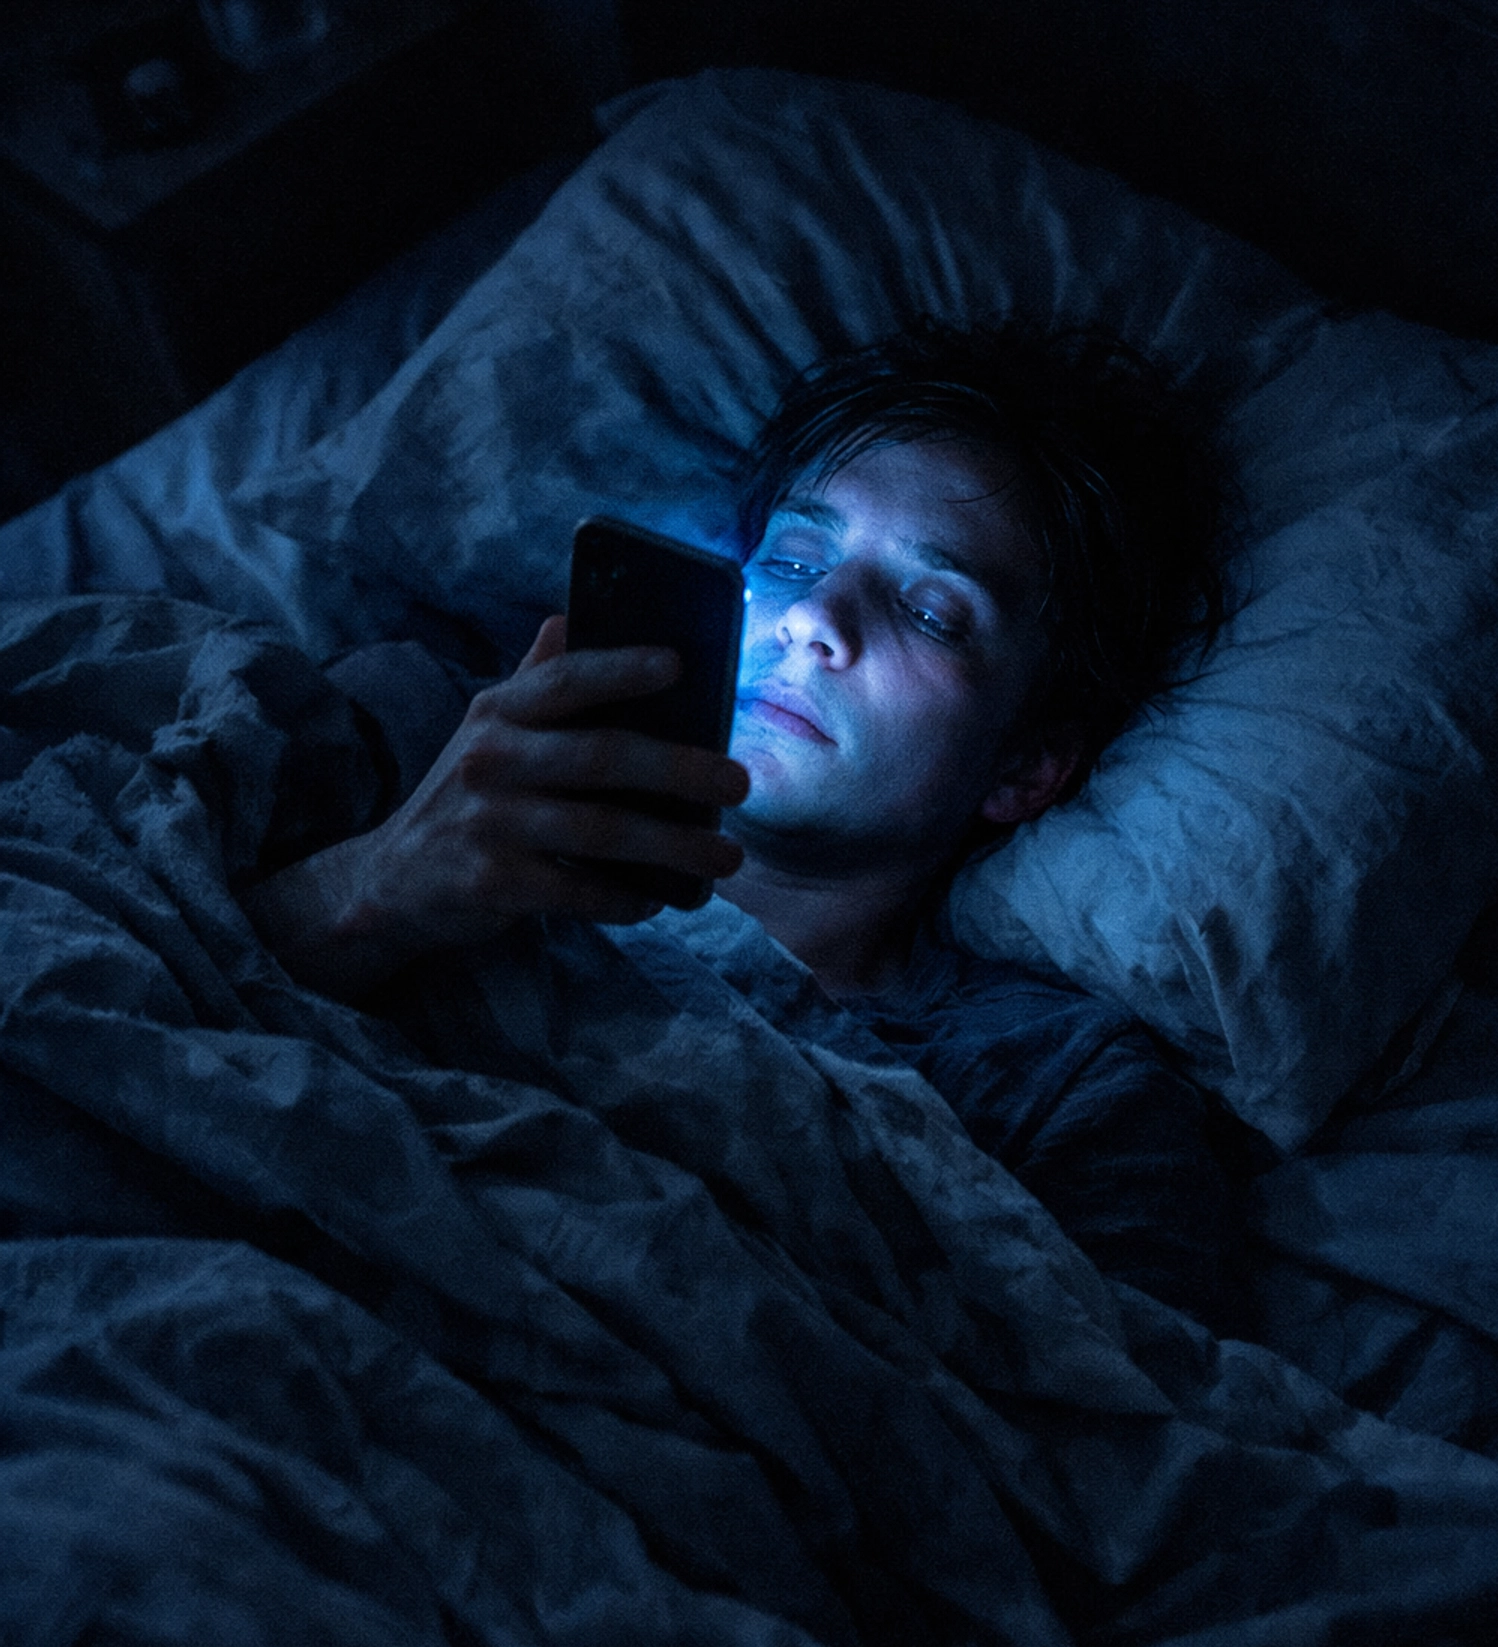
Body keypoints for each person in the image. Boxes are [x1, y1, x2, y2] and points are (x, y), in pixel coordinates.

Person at [247, 324, 1239, 1325]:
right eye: (795, 557)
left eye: (932, 612)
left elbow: (1122, 1435)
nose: (814, 619)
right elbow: (134, 949)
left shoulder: (1051, 1095)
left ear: (1023, 767)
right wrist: (373, 887)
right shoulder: (412, 735)